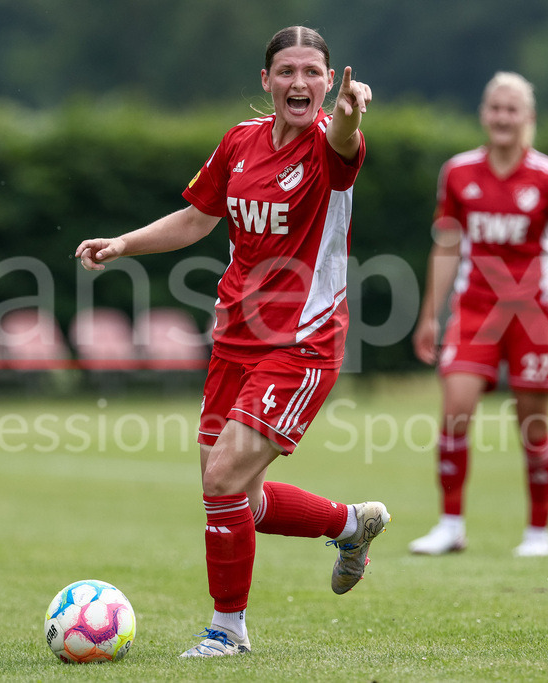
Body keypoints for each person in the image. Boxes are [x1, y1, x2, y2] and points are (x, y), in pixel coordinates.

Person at [75, 26, 389, 657]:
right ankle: (350, 524)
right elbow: (196, 217)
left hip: (302, 341)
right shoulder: (241, 142)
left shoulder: (331, 145)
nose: (299, 82)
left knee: (220, 479)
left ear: (330, 82)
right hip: (234, 338)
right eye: (286, 71)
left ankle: (228, 631)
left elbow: (347, 142)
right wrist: (123, 244)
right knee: (237, 496)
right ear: (266, 81)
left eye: (312, 72)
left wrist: (351, 121)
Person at [408, 72, 548, 558]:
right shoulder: (458, 172)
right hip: (474, 311)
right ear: (483, 114)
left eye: (512, 109)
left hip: (533, 313)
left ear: (528, 118)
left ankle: (538, 531)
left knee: (532, 424)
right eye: (495, 108)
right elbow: (446, 247)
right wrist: (430, 315)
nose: (502, 117)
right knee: (455, 412)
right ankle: (451, 525)